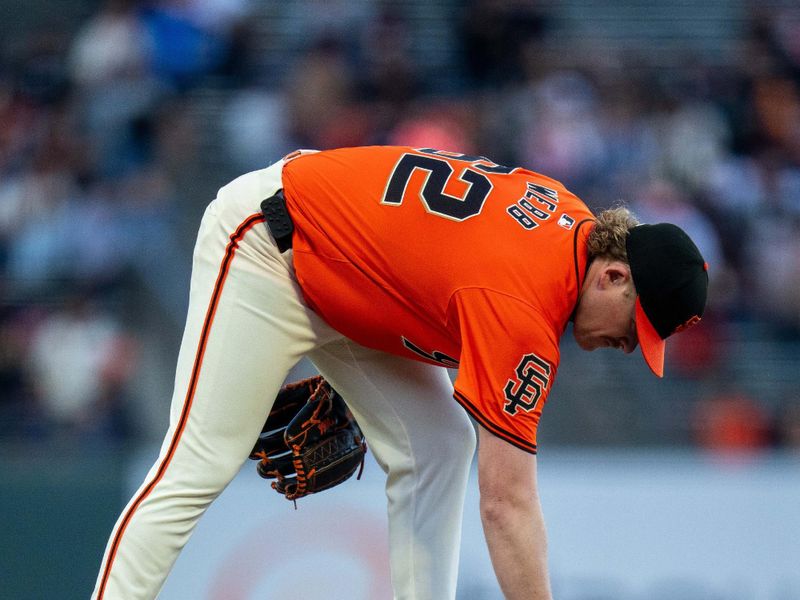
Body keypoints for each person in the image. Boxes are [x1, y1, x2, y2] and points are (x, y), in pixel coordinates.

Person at [92, 146, 708, 599]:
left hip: (354, 275)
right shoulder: (524, 305)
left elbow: (437, 268)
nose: (630, 346)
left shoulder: (570, 223)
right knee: (199, 460)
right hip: (270, 245)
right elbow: (507, 505)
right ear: (614, 276)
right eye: (637, 329)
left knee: (439, 443)